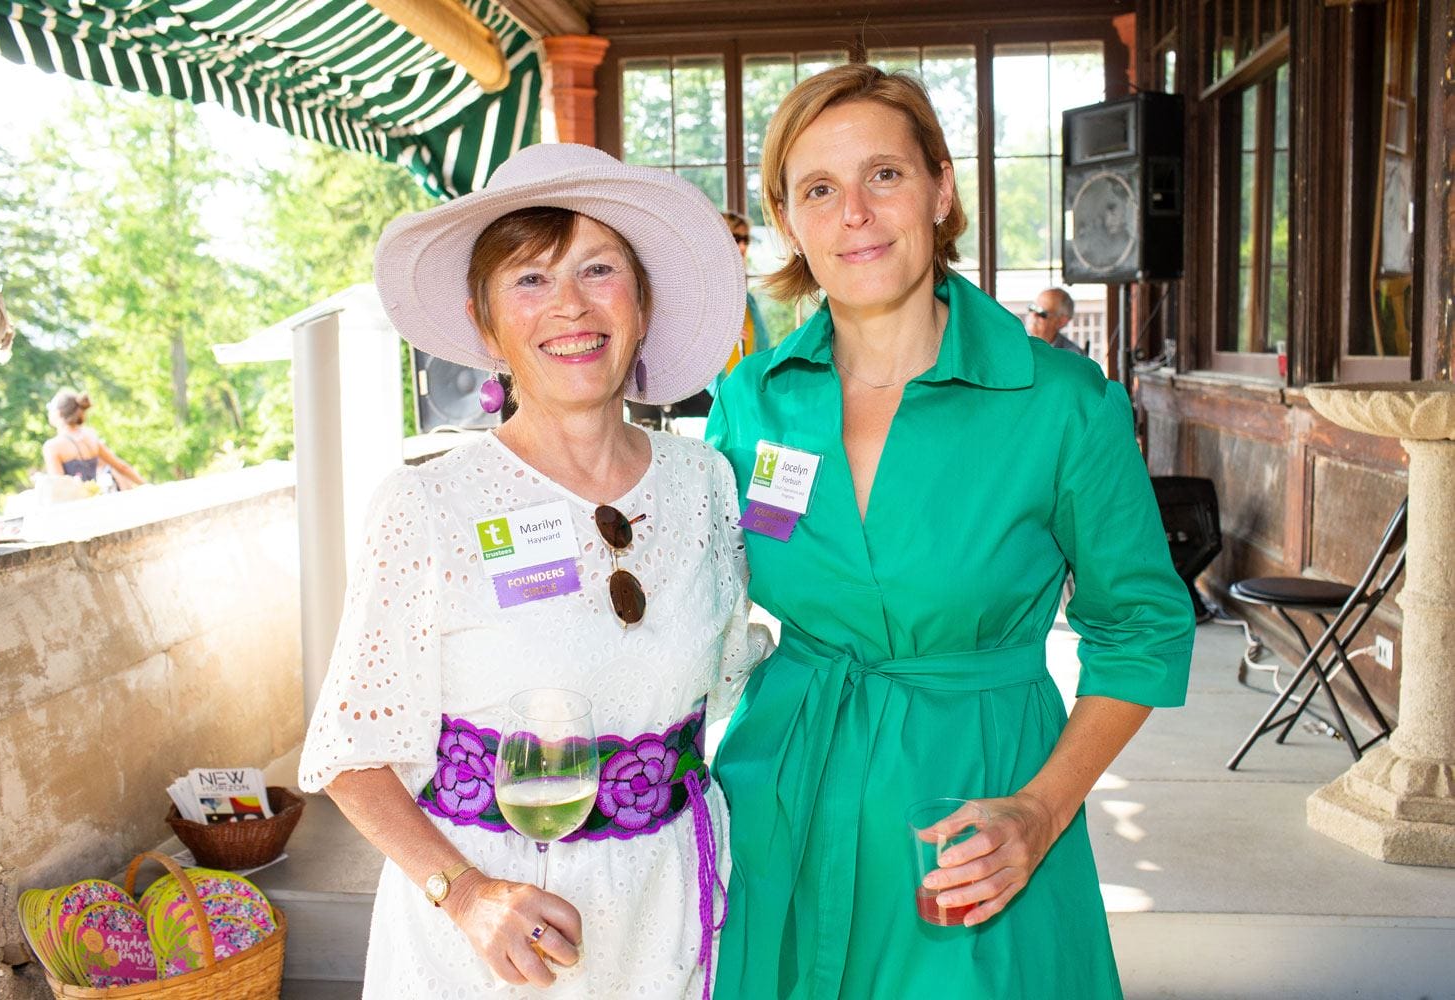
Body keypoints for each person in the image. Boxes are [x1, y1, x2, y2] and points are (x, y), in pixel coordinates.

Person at [706, 64, 1195, 998]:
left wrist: (1040, 812)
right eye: (819, 189)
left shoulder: (1060, 404)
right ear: (789, 221)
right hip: (779, 806)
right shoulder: (751, 402)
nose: (855, 212)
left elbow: (1143, 628)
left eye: (884, 175)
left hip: (971, 825)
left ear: (941, 190)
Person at [298, 143, 769, 999]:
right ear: (485, 326)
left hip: (665, 912)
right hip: (494, 934)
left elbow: (735, 679)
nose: (571, 305)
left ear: (642, 304)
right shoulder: (429, 503)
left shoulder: (704, 483)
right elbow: (350, 755)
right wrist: (465, 894)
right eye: (529, 279)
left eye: (599, 269)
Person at [41, 389, 145, 490]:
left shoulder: (52, 446)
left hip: (73, 501)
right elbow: (122, 467)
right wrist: (147, 486)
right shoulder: (91, 437)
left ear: (58, 413)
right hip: (93, 498)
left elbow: (58, 487)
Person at [720, 210, 771, 372]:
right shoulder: (704, 293)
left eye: (746, 240)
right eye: (736, 239)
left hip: (746, 379)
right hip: (716, 383)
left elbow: (762, 344)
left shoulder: (747, 299)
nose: (743, 246)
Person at [1026, 286, 1088, 356]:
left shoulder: (1074, 356)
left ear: (1061, 321)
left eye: (1041, 312)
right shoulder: (1017, 343)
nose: (1033, 315)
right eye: (1032, 308)